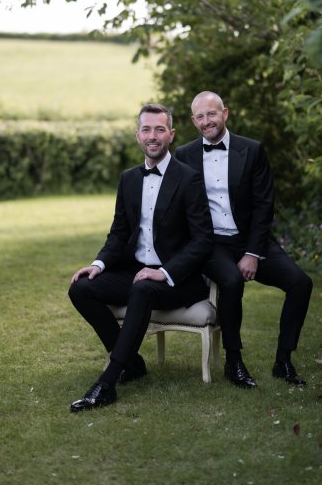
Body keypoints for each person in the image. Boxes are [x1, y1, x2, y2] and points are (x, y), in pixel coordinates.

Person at [68, 103, 213, 412]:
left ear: (171, 135)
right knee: (81, 288)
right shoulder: (129, 179)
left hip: (177, 279)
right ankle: (131, 364)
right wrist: (98, 265)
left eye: (160, 129)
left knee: (143, 287)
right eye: (146, 129)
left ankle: (107, 383)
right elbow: (119, 233)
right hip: (135, 271)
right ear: (137, 135)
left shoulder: (189, 179)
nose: (153, 136)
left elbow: (202, 240)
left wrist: (164, 272)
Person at [175, 91, 313, 388]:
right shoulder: (184, 155)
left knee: (300, 283)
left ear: (225, 113)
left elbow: (265, 205)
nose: (206, 121)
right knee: (232, 281)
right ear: (193, 121)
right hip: (211, 244)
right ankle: (233, 361)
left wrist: (253, 252)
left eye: (211, 114)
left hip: (250, 238)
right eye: (200, 116)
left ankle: (283, 360)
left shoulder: (252, 150)